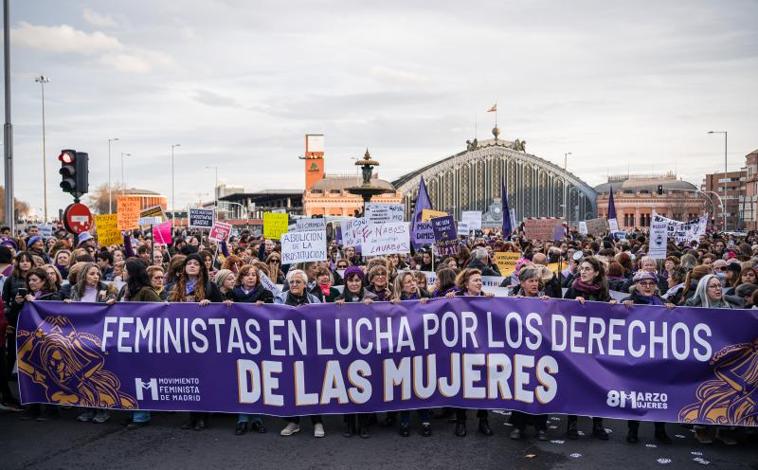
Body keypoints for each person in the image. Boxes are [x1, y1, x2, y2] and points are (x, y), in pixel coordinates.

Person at [170, 253, 223, 431]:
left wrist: (211, 304)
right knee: (188, 377)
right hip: (183, 339)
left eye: (196, 263)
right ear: (184, 267)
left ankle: (203, 416)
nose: (192, 266)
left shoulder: (210, 286)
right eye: (189, 263)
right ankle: (192, 416)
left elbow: (222, 308)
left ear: (201, 267)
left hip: (204, 340)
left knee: (203, 377)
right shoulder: (177, 286)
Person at [620, 271, 674, 444]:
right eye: (643, 283)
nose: (648, 286)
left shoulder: (663, 303)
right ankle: (633, 430)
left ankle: (660, 430)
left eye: (651, 283)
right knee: (636, 394)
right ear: (636, 285)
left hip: (658, 356)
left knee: (660, 394)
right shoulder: (629, 302)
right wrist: (621, 305)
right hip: (636, 357)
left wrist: (673, 310)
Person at [563, 256, 612, 440]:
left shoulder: (603, 291)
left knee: (597, 385)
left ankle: (598, 425)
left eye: (587, 269)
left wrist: (612, 306)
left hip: (596, 346)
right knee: (574, 384)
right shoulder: (573, 288)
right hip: (575, 345)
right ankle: (572, 424)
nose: (583, 271)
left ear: (596, 272)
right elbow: (559, 312)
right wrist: (571, 305)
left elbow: (609, 317)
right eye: (581, 268)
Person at [65, 263, 117, 424]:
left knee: (98, 373)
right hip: (80, 336)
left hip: (99, 336)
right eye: (92, 274)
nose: (96, 277)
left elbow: (116, 304)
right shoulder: (75, 290)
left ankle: (102, 409)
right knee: (81, 374)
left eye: (98, 274)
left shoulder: (107, 289)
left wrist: (110, 302)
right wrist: (67, 303)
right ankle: (87, 407)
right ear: (84, 275)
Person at [275, 269, 325, 438]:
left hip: (310, 348)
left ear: (305, 284)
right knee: (290, 384)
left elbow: (323, 320)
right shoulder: (280, 299)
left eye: (298, 282)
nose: (294, 285)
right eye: (291, 282)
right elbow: (271, 317)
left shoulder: (314, 300)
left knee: (312, 385)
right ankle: (293, 422)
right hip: (288, 349)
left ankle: (317, 421)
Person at [445, 268, 494, 437]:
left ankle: (483, 420)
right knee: (462, 384)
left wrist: (492, 302)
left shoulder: (486, 299)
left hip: (482, 349)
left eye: (480, 280)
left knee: (485, 384)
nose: (479, 283)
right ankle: (461, 421)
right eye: (475, 280)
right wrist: (448, 300)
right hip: (462, 349)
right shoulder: (455, 298)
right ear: (466, 284)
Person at [230, 264, 273, 436]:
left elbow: (274, 313)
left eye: (254, 275)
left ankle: (257, 418)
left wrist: (266, 306)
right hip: (238, 342)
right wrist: (226, 305)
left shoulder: (265, 294)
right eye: (247, 275)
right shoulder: (232, 294)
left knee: (258, 378)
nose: (250, 277)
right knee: (242, 380)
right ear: (240, 278)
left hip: (260, 342)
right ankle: (242, 418)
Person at [508, 267, 550, 441]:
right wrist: (512, 304)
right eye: (531, 281)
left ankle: (541, 426)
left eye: (536, 281)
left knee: (541, 388)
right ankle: (519, 425)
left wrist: (549, 305)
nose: (534, 284)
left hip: (540, 352)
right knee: (520, 388)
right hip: (519, 353)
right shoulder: (512, 300)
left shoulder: (545, 300)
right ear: (522, 283)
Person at [390, 271, 432, 437]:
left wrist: (428, 302)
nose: (412, 283)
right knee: (405, 385)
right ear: (401, 286)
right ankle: (405, 420)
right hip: (403, 349)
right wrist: (392, 305)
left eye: (413, 280)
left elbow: (444, 302)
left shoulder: (426, 296)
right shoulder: (394, 300)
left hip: (422, 348)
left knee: (422, 383)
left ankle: (425, 419)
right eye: (407, 282)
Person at [121, 259, 161, 430]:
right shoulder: (127, 290)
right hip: (129, 340)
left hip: (143, 341)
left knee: (141, 377)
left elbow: (161, 311)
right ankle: (132, 410)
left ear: (132, 273)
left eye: (125, 270)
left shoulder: (146, 291)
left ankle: (141, 414)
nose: (122, 272)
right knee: (130, 376)